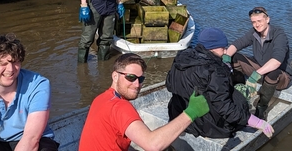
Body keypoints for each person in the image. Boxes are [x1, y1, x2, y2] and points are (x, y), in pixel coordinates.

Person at [79, 53, 209, 151]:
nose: (137, 84)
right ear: (115, 76)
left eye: (140, 79)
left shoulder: (101, 99)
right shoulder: (120, 107)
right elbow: (152, 145)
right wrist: (192, 112)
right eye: (131, 77)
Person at [166, 27, 274, 139]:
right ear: (213, 47)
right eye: (223, 47)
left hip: (179, 117)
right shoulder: (215, 71)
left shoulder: (181, 58)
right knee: (240, 93)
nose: (225, 50)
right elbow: (225, 107)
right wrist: (256, 122)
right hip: (208, 127)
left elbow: (169, 84)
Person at [225, 7, 292, 121]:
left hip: (280, 76)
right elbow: (237, 44)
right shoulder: (254, 32)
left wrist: (254, 76)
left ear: (267, 20)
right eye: (253, 22)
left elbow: (276, 61)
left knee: (272, 73)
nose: (257, 25)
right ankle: (240, 92)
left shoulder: (279, 34)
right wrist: (226, 58)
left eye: (259, 21)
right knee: (235, 57)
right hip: (261, 70)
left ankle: (262, 107)